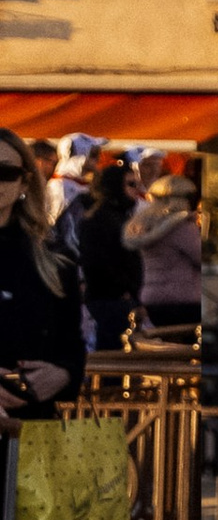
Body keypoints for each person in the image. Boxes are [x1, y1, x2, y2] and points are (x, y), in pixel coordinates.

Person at [0, 130, 88, 417]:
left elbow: (72, 347)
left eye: (6, 172)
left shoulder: (54, 258)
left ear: (24, 181)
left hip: (30, 433)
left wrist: (64, 374)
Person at [125, 166, 204, 341]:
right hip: (183, 298)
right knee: (186, 348)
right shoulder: (182, 226)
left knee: (166, 343)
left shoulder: (143, 224)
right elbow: (200, 257)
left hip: (152, 296)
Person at [75, 156, 142, 351]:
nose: (136, 189)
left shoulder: (116, 217)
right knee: (114, 358)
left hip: (115, 299)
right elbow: (97, 262)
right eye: (130, 184)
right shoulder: (101, 219)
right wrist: (125, 290)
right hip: (109, 301)